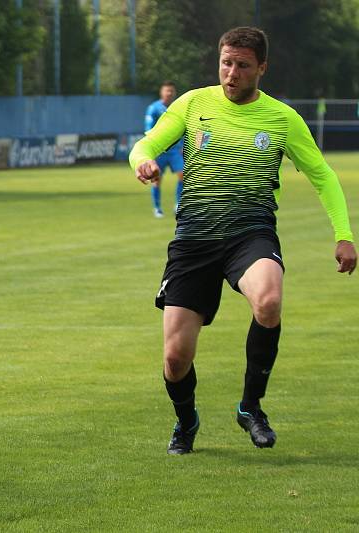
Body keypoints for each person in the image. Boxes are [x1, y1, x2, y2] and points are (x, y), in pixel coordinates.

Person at [129, 27, 356, 455]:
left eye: (242, 65)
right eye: (226, 63)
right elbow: (147, 144)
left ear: (262, 68)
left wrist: (343, 235)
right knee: (175, 360)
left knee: (268, 301)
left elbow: (323, 175)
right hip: (194, 239)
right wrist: (143, 162)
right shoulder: (193, 103)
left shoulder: (282, 118)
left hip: (250, 234)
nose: (231, 73)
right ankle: (186, 421)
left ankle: (251, 407)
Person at [144, 81, 184, 217]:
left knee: (183, 175)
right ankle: (157, 208)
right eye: (167, 91)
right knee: (156, 179)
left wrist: (183, 145)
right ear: (161, 92)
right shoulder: (153, 108)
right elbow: (148, 129)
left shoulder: (178, 107)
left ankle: (178, 204)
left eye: (171, 91)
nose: (169, 93)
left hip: (174, 150)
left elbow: (183, 127)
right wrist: (152, 149)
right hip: (160, 150)